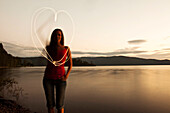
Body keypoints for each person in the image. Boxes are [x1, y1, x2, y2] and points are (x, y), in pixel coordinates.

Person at [43, 29, 72, 113]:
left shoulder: (66, 49)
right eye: (55, 35)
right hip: (48, 78)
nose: (57, 36)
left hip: (61, 79)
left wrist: (66, 76)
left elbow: (70, 64)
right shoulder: (48, 48)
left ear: (61, 36)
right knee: (50, 105)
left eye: (59, 35)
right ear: (52, 37)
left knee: (60, 105)